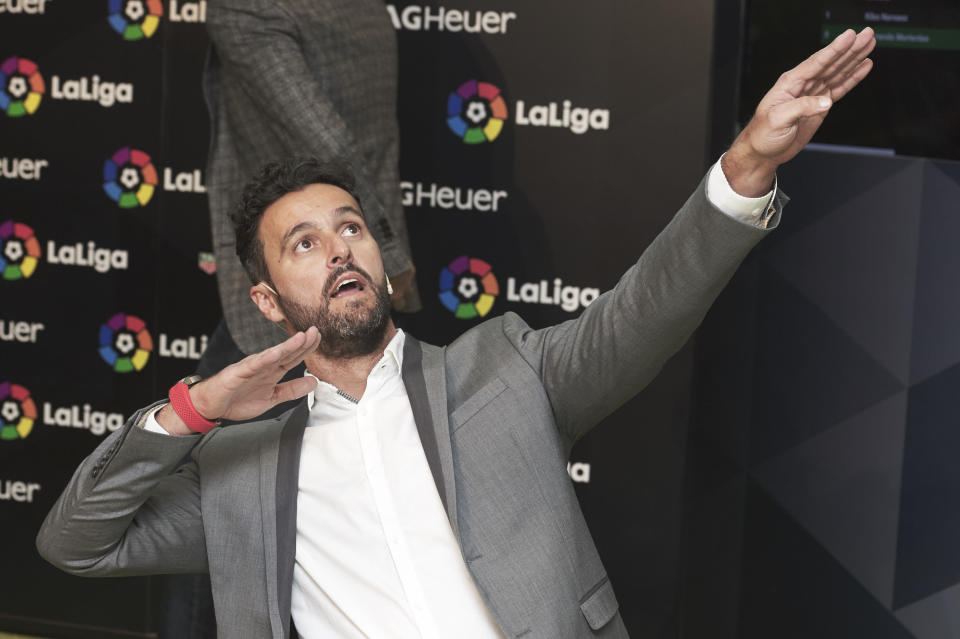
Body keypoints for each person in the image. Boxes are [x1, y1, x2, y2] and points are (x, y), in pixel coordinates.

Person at [37, 29, 876, 638]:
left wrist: (747, 168)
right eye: (305, 244)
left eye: (351, 227)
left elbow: (644, 308)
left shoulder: (504, 371)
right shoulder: (240, 470)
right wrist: (190, 410)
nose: (340, 251)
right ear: (264, 299)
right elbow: (75, 541)